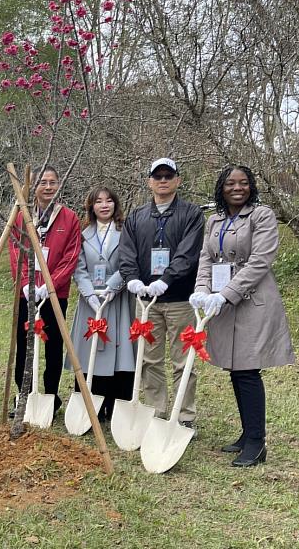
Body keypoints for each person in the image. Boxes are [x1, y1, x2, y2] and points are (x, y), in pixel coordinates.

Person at [190, 165, 294, 466]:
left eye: (244, 183)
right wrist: (202, 290)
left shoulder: (262, 216)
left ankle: (257, 443)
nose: (238, 188)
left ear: (252, 187)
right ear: (221, 188)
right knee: (235, 369)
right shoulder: (215, 220)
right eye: (231, 183)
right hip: (222, 303)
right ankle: (246, 433)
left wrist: (225, 294)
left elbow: (261, 261)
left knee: (248, 369)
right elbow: (207, 257)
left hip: (251, 301)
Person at [118, 158, 204, 432]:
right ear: (150, 182)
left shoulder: (191, 214)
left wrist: (166, 279)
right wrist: (131, 279)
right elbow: (127, 251)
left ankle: (184, 413)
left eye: (169, 175)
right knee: (149, 358)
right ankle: (156, 410)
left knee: (183, 358)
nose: (163, 180)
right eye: (158, 176)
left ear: (178, 180)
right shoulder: (137, 216)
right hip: (146, 301)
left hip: (179, 298)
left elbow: (188, 254)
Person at [8, 166, 81, 416]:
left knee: (53, 346)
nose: (48, 187)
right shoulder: (21, 216)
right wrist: (28, 284)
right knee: (23, 343)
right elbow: (16, 250)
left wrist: (49, 285)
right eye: (43, 182)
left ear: (58, 185)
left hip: (54, 294)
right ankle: (23, 394)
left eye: (53, 182)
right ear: (34, 187)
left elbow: (71, 255)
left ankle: (50, 395)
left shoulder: (69, 218)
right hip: (26, 294)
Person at [65, 186, 135, 422]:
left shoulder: (126, 232)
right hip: (90, 302)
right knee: (89, 352)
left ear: (115, 204)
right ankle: (89, 405)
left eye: (108, 201)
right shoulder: (83, 234)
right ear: (91, 207)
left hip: (116, 300)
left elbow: (128, 263)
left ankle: (115, 408)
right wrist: (89, 294)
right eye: (98, 202)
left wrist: (111, 288)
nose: (104, 205)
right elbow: (79, 267)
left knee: (118, 351)